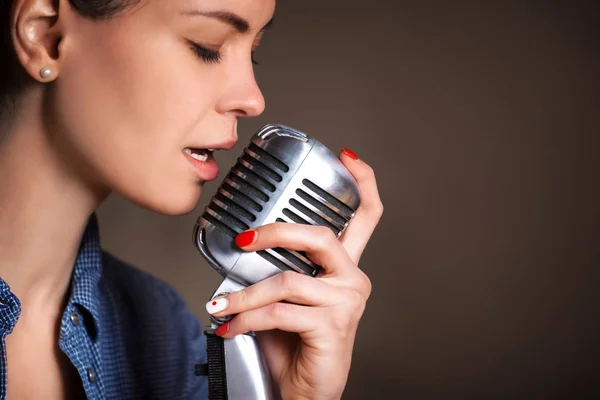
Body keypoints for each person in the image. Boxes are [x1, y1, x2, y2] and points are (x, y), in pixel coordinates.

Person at [0, 0, 384, 398]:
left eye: (253, 55)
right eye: (206, 45)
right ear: (46, 36)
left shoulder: (166, 338)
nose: (253, 100)